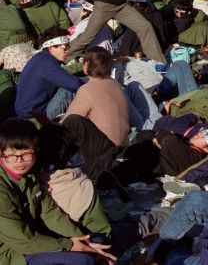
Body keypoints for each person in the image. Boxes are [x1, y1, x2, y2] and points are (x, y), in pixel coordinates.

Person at [0, 118, 116, 265]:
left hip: (32, 240)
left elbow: (50, 213)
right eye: (11, 155)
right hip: (10, 253)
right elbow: (23, 240)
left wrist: (84, 242)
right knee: (82, 261)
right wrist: (70, 245)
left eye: (26, 154)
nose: (19, 161)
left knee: (97, 241)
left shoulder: (30, 176)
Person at [60, 47, 129, 179]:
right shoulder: (115, 85)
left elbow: (68, 122)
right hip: (120, 147)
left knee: (71, 122)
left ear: (86, 65)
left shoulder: (87, 89)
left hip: (102, 151)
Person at [14, 28, 82, 120]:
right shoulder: (46, 63)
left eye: (68, 47)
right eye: (64, 48)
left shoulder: (41, 58)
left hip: (30, 112)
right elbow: (75, 84)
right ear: (51, 47)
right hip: (36, 116)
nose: (67, 51)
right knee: (70, 90)